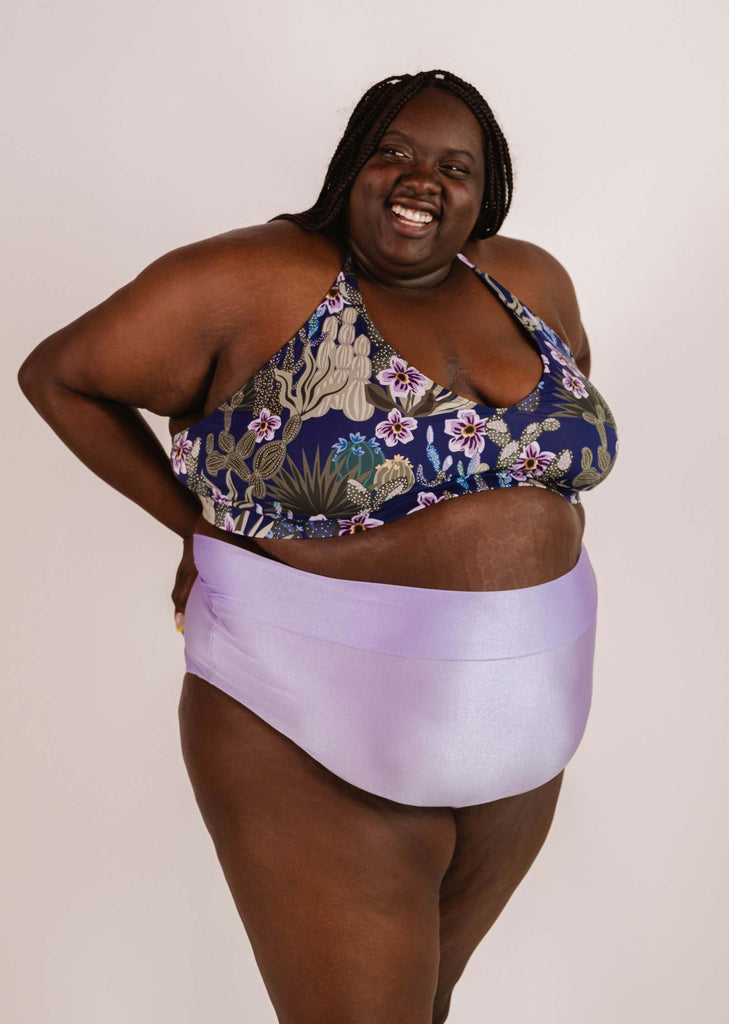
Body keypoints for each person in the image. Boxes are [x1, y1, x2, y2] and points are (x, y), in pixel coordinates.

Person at [18, 69, 618, 1023]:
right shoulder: (250, 278)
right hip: (302, 710)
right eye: (395, 152)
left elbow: (555, 440)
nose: (422, 179)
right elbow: (60, 376)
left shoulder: (529, 282)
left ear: (485, 192)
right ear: (349, 168)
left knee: (424, 1005)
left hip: (524, 721)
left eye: (453, 165)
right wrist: (200, 521)